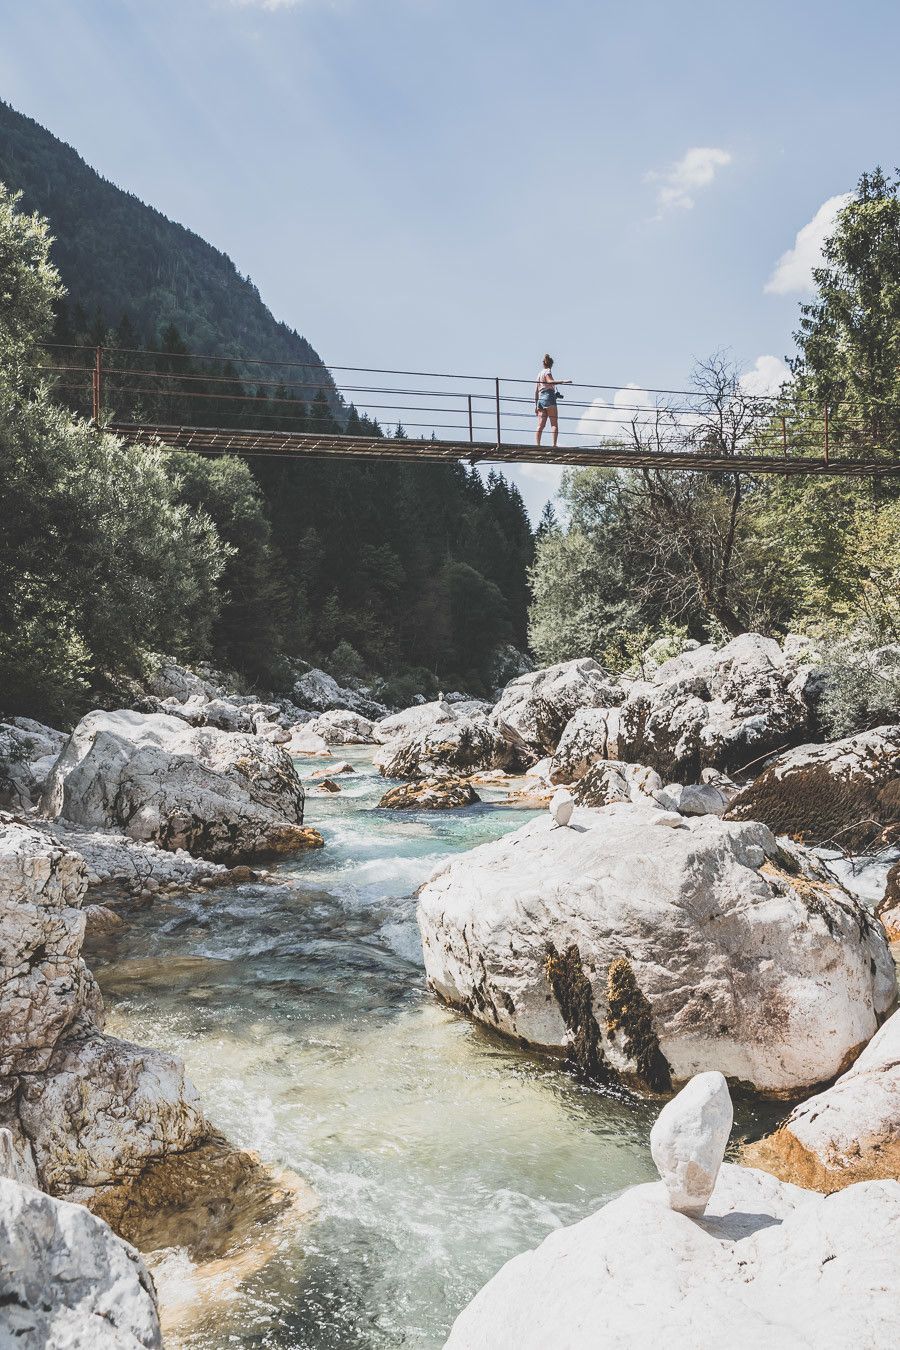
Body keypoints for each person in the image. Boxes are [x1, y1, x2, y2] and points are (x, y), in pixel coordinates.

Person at [534, 354, 572, 447]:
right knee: (554, 424)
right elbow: (550, 381)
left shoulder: (539, 374)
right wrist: (563, 381)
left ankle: (537, 444)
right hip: (549, 397)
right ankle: (554, 445)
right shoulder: (547, 371)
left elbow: (536, 391)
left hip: (541, 399)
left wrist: (536, 405)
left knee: (540, 425)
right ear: (551, 365)